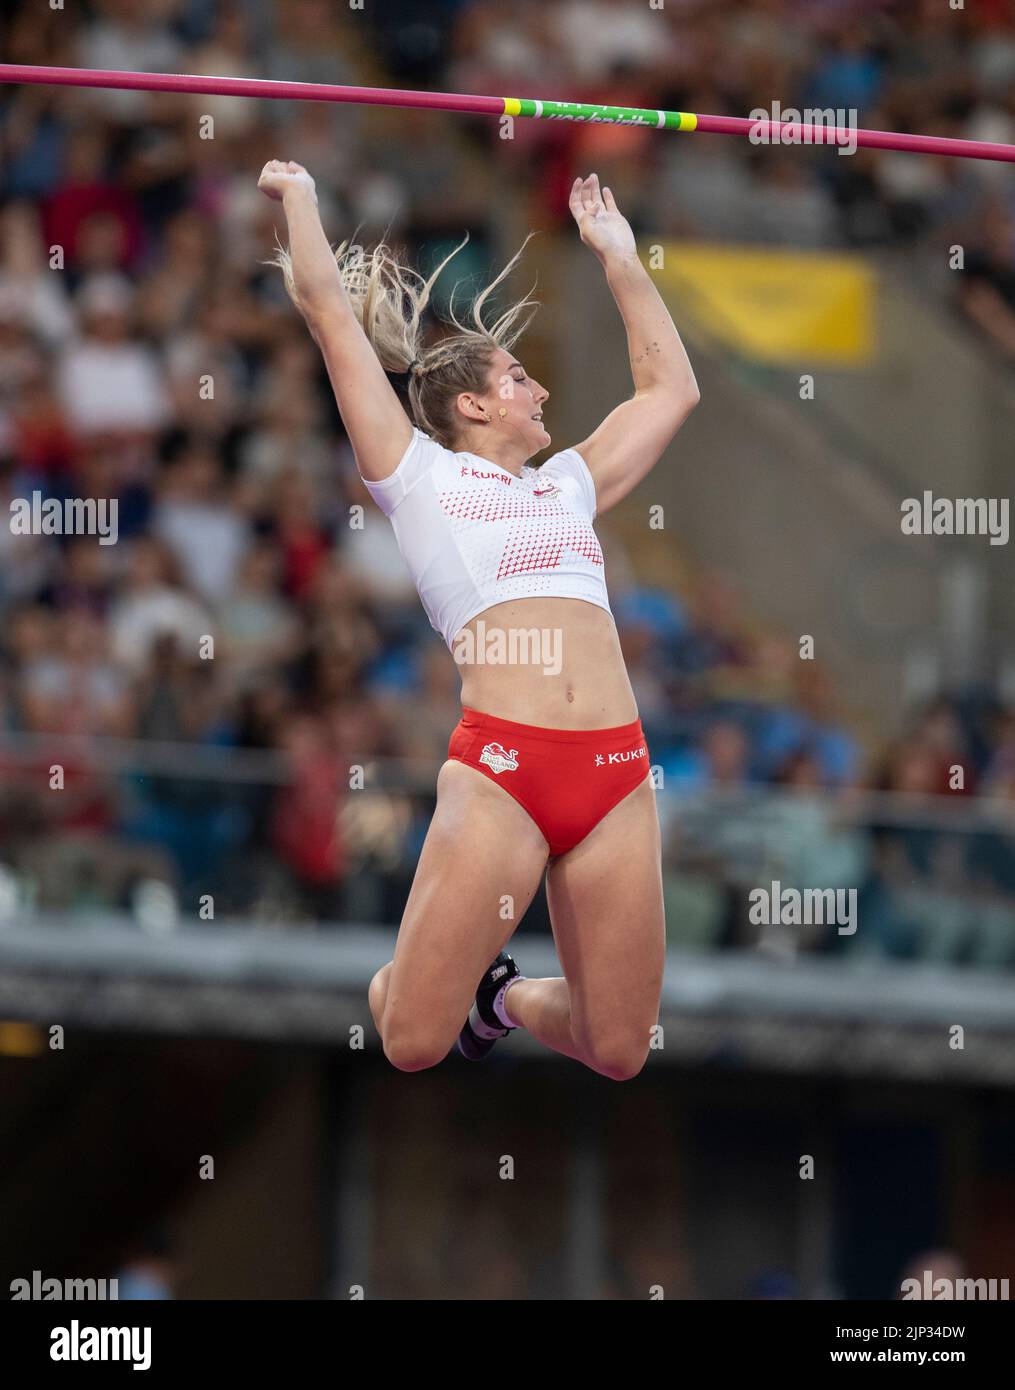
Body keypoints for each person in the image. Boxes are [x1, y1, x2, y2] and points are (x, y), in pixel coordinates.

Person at [258, 158, 699, 1079]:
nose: (539, 393)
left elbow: (668, 394)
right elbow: (329, 314)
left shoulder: (566, 486)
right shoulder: (417, 478)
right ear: (471, 405)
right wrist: (300, 194)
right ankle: (453, 993)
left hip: (615, 764)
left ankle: (498, 997)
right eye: (519, 380)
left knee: (617, 1049)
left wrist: (619, 257)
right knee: (412, 1040)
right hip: (505, 766)